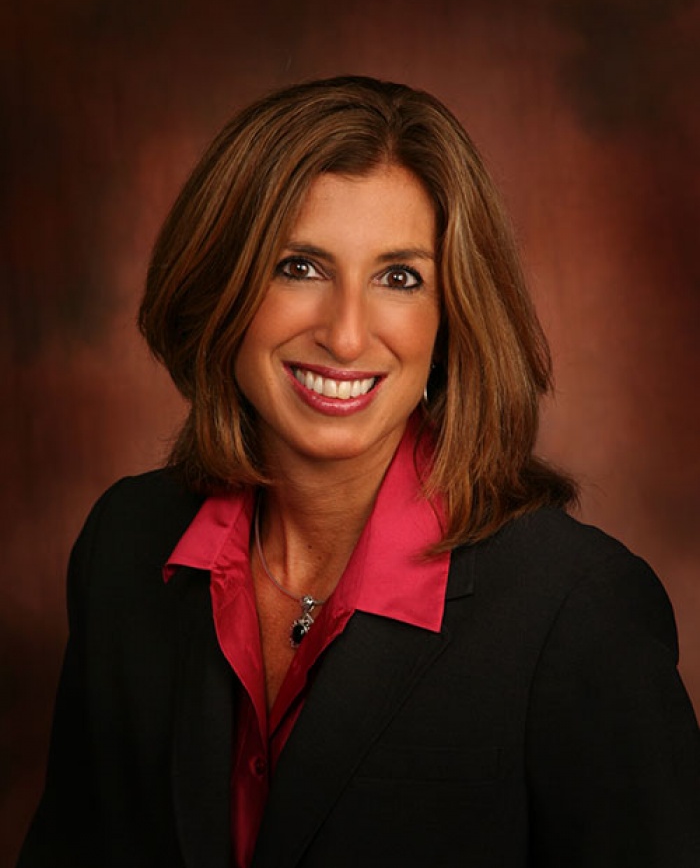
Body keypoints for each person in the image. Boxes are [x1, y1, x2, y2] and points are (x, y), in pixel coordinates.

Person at [18, 76, 700, 868]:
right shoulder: (124, 547)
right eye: (300, 266)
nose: (345, 336)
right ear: (221, 286)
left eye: (399, 277)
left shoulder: (579, 613)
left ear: (453, 317)